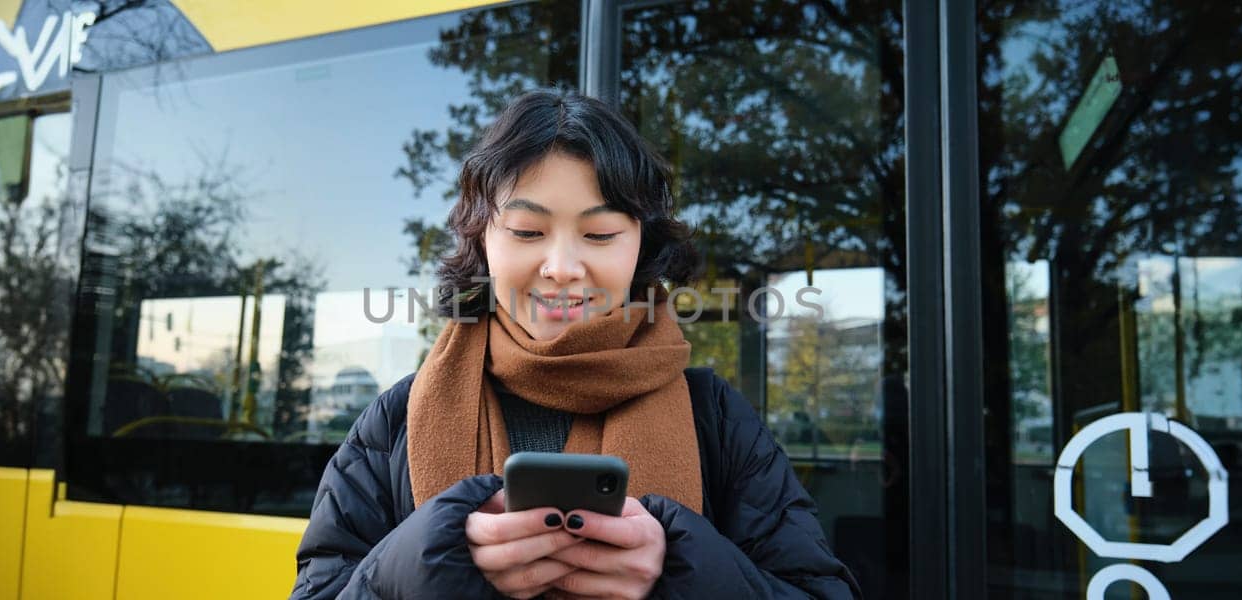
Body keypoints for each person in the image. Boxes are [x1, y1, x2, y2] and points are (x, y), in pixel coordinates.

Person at [290, 88, 860, 599]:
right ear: (481, 239)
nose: (562, 267)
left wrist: (678, 568)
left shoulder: (716, 419)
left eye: (600, 234)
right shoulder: (394, 422)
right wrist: (427, 565)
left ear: (641, 245)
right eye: (527, 232)